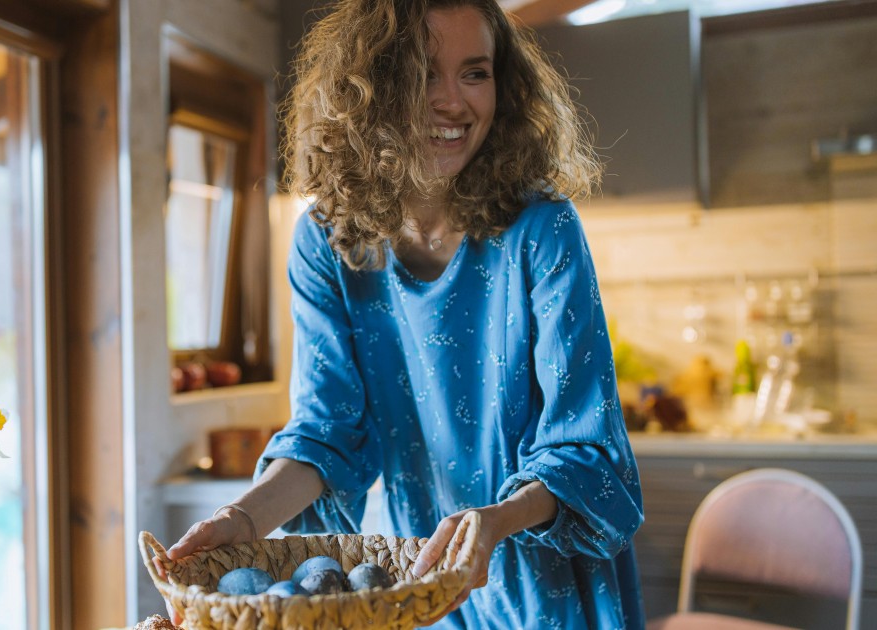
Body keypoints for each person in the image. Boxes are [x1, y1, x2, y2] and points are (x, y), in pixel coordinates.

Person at [165, 0, 645, 627]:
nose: (453, 101)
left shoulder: (543, 230)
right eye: (422, 75)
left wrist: (493, 523)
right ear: (367, 91)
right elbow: (326, 432)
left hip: (545, 584)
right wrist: (244, 517)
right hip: (415, 586)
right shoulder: (327, 242)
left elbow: (587, 447)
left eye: (475, 72)